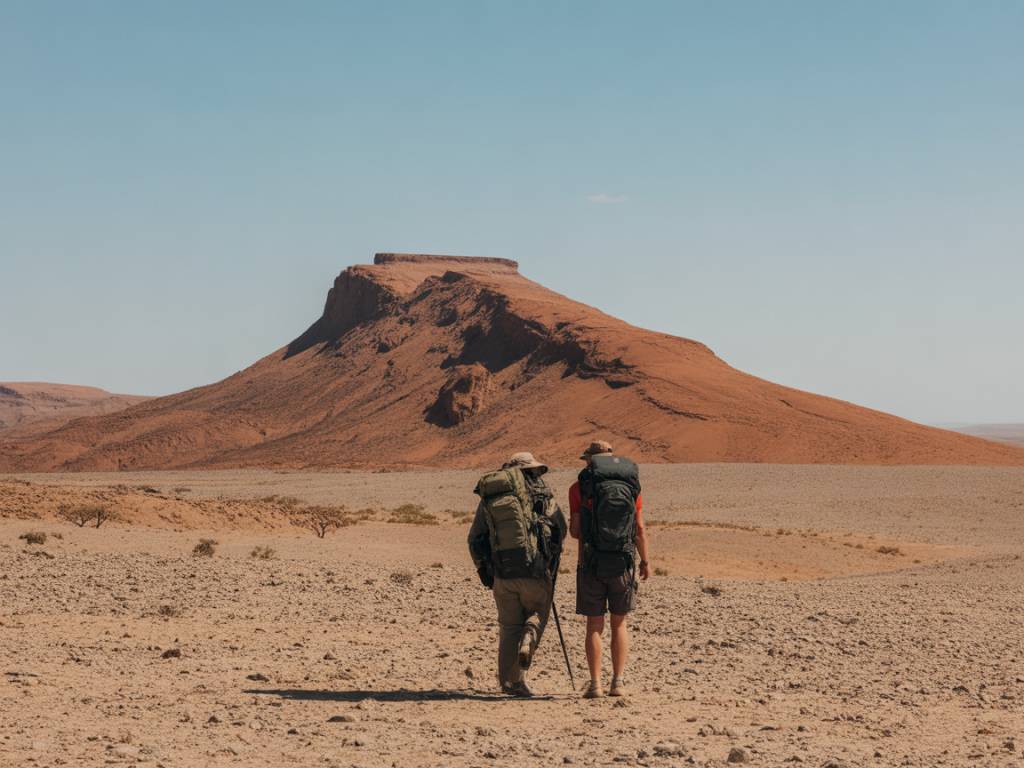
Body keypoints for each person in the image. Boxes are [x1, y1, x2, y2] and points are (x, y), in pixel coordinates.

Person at [468, 452, 567, 697]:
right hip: (535, 569)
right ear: (532, 470)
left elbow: (474, 538)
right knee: (537, 613)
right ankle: (530, 637)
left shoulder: (492, 497)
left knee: (509, 626)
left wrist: (483, 569)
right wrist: (550, 557)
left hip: (502, 571)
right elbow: (560, 529)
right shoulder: (542, 493)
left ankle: (508, 684)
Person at [569, 440, 649, 698]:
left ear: (590, 460)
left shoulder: (578, 488)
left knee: (594, 626)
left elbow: (575, 531)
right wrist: (645, 561)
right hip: (623, 562)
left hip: (590, 563)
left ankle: (595, 685)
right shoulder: (631, 486)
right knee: (619, 623)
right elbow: (639, 528)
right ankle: (618, 682)